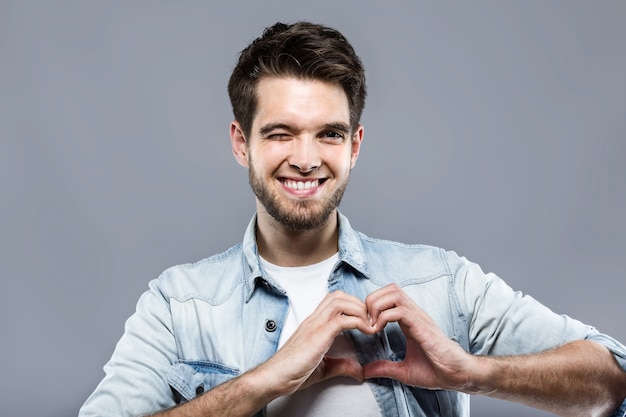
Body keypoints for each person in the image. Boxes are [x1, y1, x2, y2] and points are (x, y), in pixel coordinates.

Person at [79, 21, 626, 417]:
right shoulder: (178, 305)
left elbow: (613, 378)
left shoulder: (440, 282)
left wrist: (472, 372)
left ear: (356, 144)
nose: (306, 157)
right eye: (280, 133)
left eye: (329, 134)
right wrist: (264, 383)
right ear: (240, 143)